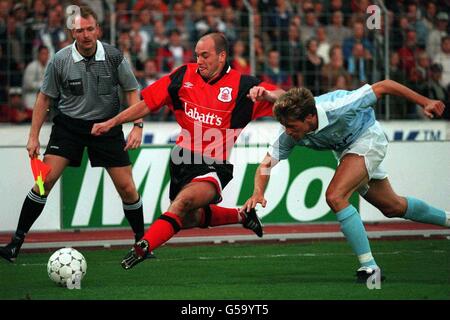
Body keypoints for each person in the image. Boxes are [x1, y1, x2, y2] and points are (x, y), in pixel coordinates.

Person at [91, 32, 285, 270]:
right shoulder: (183, 75)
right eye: (197, 55)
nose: (199, 60)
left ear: (222, 56)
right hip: (181, 159)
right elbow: (147, 103)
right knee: (187, 217)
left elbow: (285, 98)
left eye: (205, 55)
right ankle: (242, 216)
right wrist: (113, 122)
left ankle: (143, 246)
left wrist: (267, 95)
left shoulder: (244, 86)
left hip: (214, 164)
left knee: (183, 202)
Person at [241, 80, 448, 282]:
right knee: (393, 207)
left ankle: (369, 267)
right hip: (347, 151)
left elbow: (385, 86)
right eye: (284, 125)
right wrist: (258, 192)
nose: (287, 131)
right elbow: (265, 164)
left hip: (368, 138)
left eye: (291, 126)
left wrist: (425, 102)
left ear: (310, 117)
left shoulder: (338, 106)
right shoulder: (290, 130)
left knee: (335, 195)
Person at [0, 6, 145, 263]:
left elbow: (133, 90)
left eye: (90, 29)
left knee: (127, 188)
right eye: (80, 30)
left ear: (98, 29)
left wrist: (137, 125)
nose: (86, 35)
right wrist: (33, 137)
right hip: (69, 127)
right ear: (72, 32)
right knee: (43, 183)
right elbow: (44, 98)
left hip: (107, 126)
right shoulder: (60, 59)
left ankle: (143, 244)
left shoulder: (113, 56)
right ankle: (15, 244)